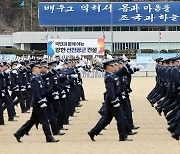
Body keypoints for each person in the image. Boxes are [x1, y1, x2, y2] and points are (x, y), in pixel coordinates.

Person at [13, 62, 62, 143]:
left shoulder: (38, 77)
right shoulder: (34, 79)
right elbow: (36, 93)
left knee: (32, 120)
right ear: (34, 69)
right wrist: (41, 102)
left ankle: (19, 133)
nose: (40, 69)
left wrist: (55, 70)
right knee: (44, 121)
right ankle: (49, 137)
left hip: (40, 102)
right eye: (38, 68)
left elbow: (47, 75)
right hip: (38, 103)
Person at [88, 59, 134, 141]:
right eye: (113, 66)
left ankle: (93, 132)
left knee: (107, 119)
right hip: (112, 100)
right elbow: (110, 91)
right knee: (121, 118)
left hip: (114, 99)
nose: (115, 67)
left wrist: (128, 67)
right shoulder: (109, 77)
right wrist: (114, 101)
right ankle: (123, 136)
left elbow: (122, 72)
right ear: (108, 67)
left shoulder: (112, 74)